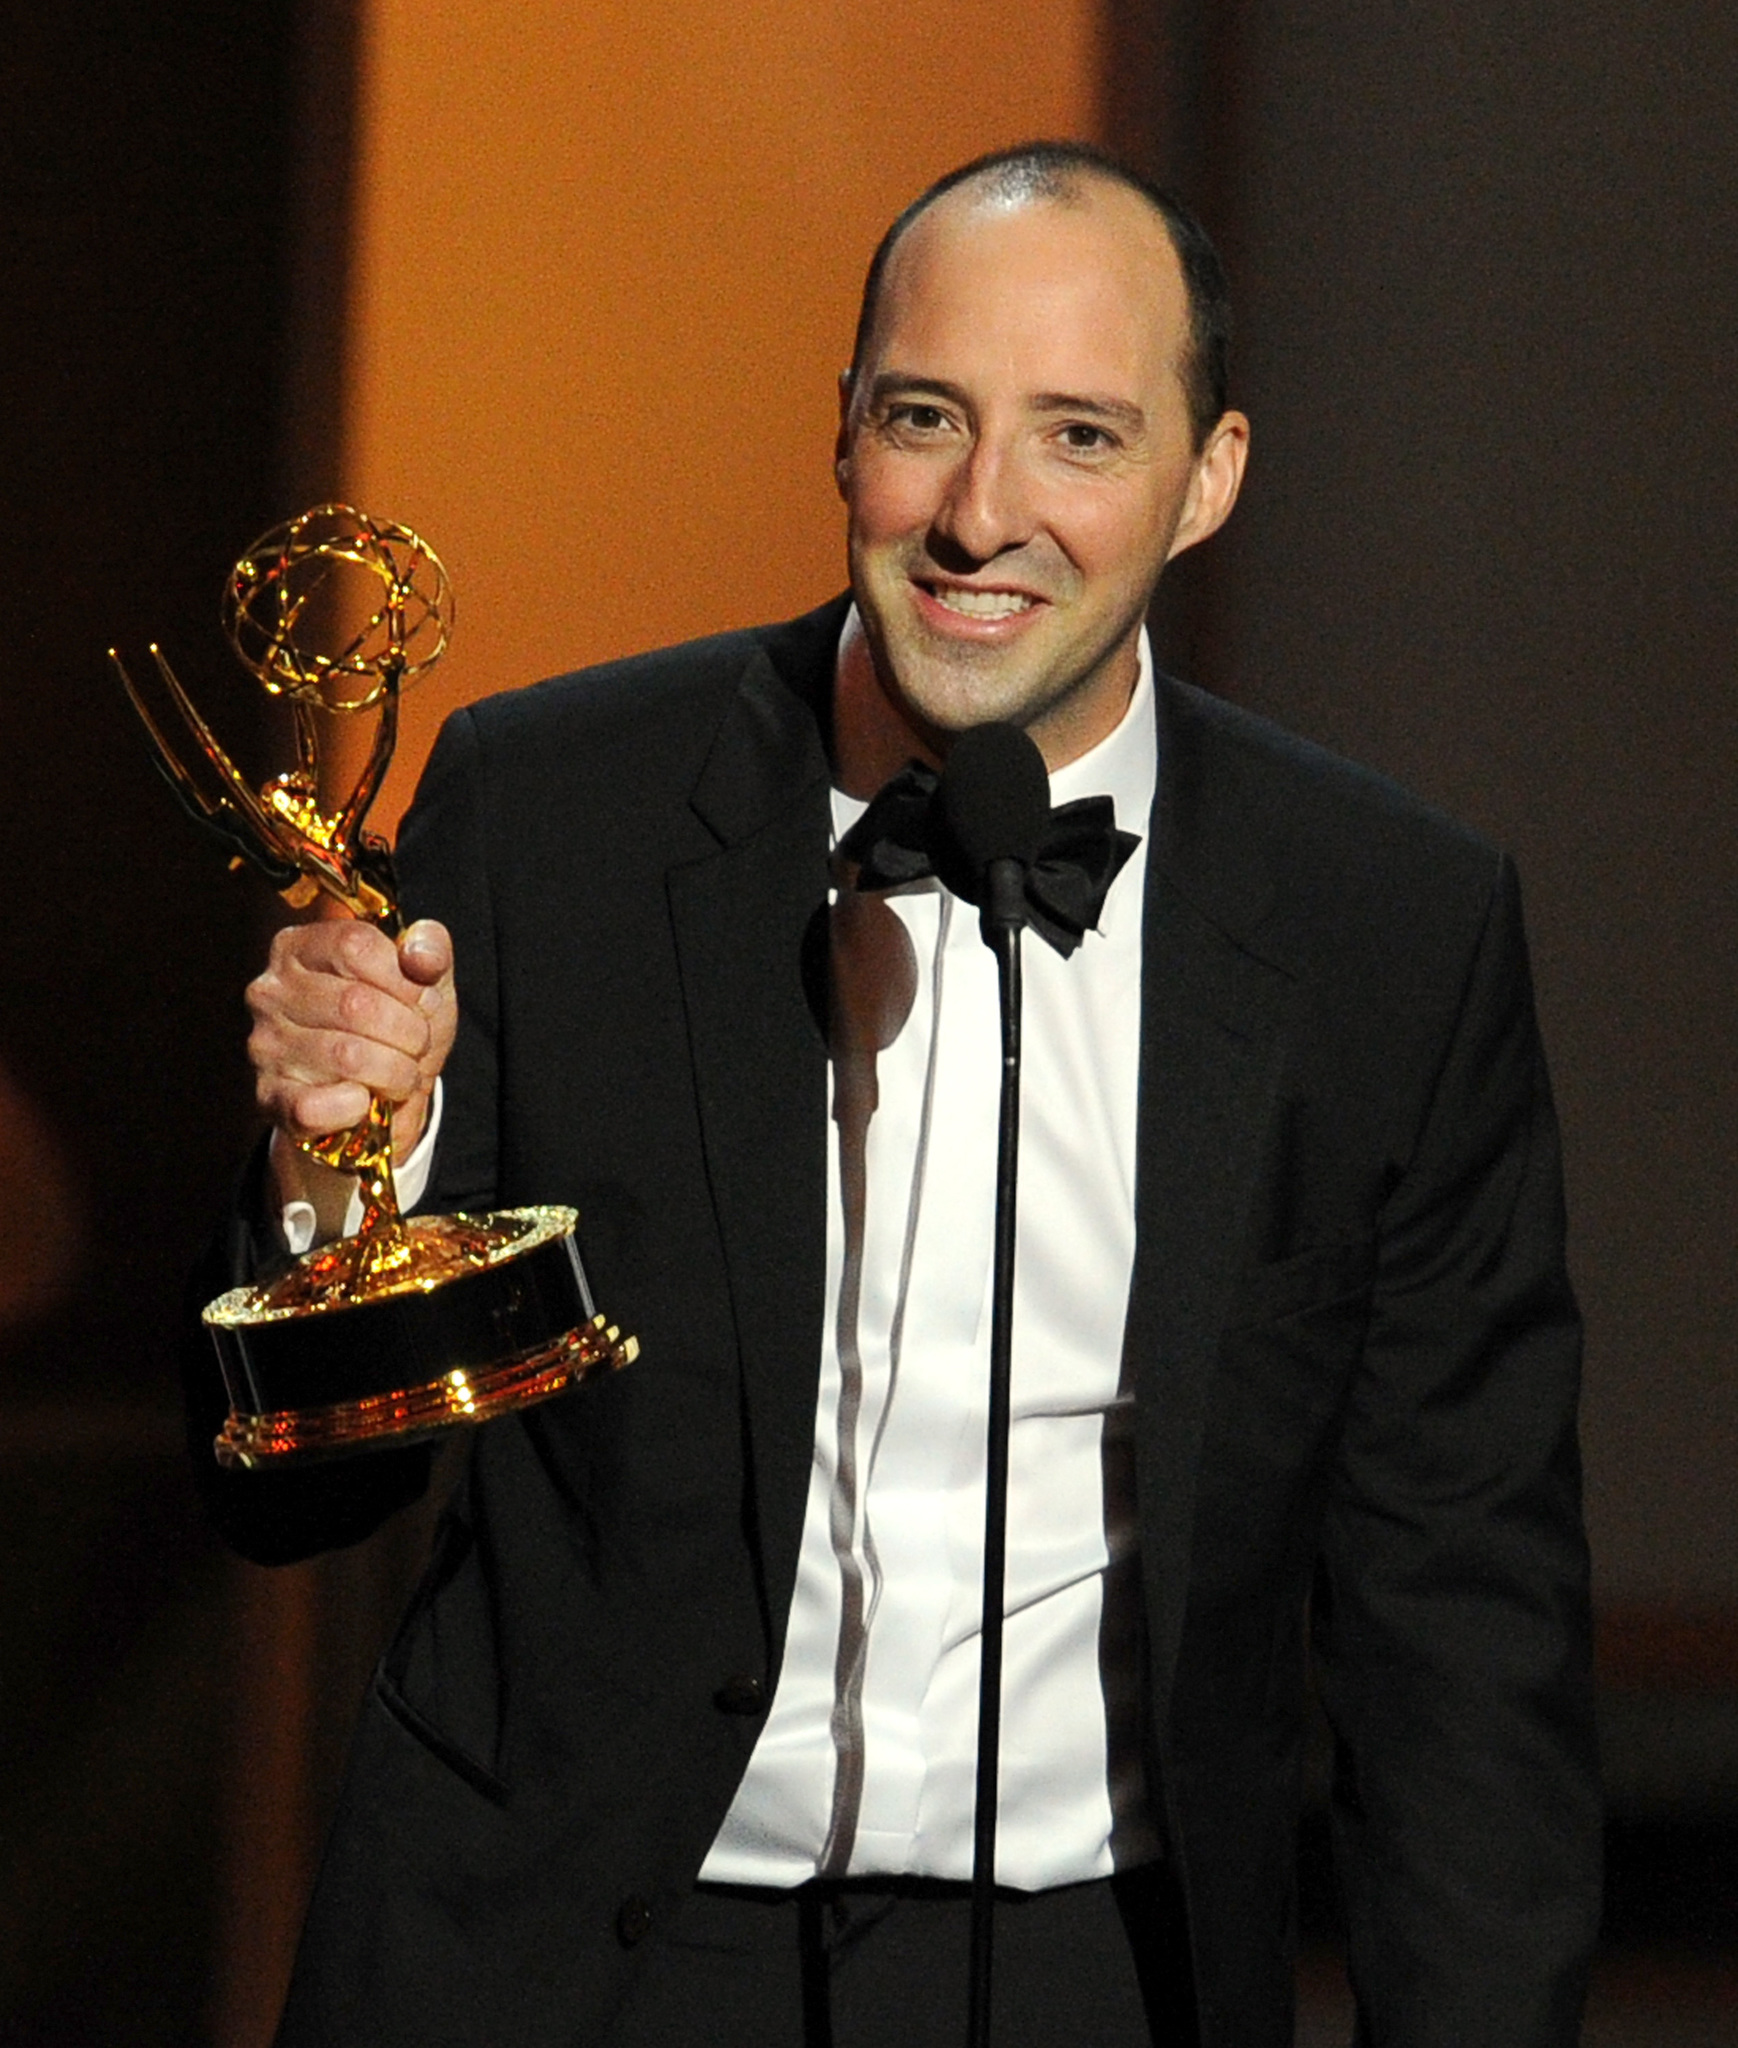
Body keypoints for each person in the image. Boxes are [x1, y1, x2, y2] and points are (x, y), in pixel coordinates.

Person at [197, 143, 1600, 2047]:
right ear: (841, 437)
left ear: (1210, 483)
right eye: (924, 419)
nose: (979, 515)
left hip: (1094, 1982)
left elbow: (1459, 1631)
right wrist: (340, 1161)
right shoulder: (555, 811)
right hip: (573, 1967)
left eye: (1081, 439)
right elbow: (297, 1501)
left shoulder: (1386, 928)